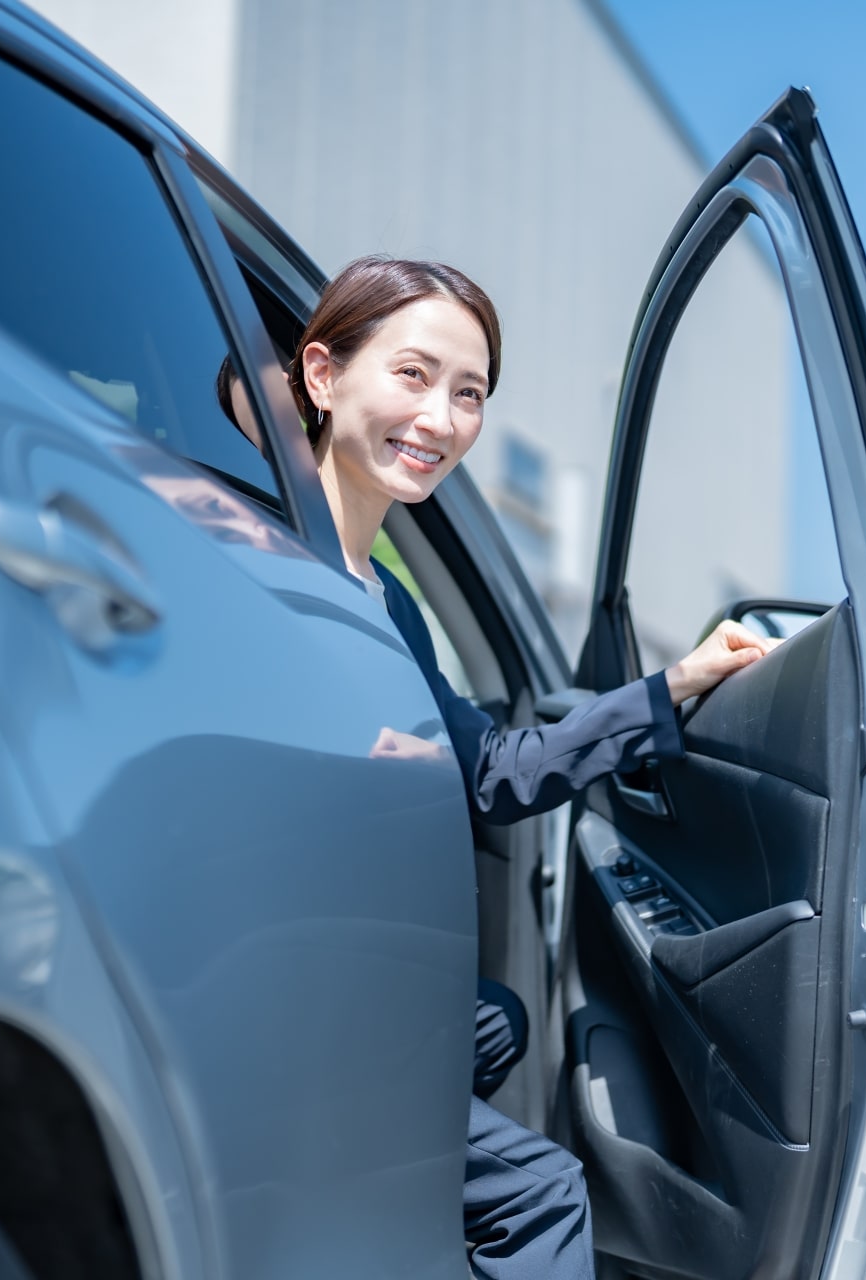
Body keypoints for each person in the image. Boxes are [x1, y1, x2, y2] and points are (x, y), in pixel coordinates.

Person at [290, 255, 773, 1279]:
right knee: (541, 1188)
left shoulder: (387, 599)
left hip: (354, 968)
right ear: (323, 374)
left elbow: (493, 770)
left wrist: (676, 683)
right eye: (414, 375)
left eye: (468, 394)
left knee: (496, 1021)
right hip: (285, 971)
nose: (443, 416)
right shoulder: (259, 553)